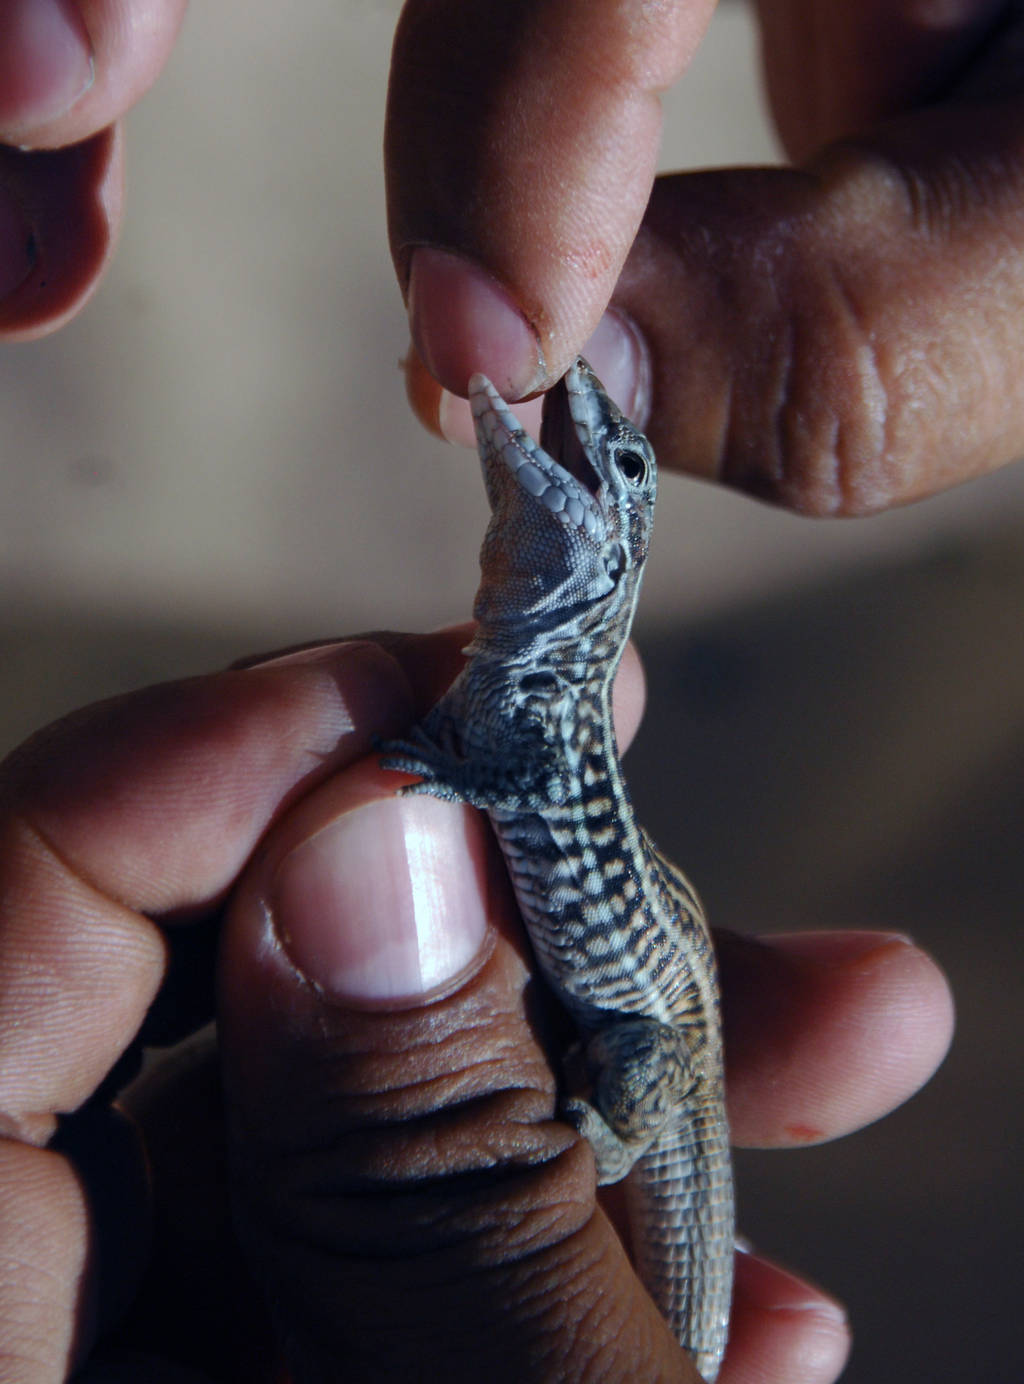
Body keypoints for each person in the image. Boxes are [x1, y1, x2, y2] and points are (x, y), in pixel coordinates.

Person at [8, 0, 1020, 1377]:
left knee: (631, 1116)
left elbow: (515, 766)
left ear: (609, 540)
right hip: (631, 985)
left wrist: (523, 1156)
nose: (574, 426)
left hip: (646, 1030)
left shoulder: (545, 679)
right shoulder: (548, 668)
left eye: (605, 456)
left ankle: (609, 1163)